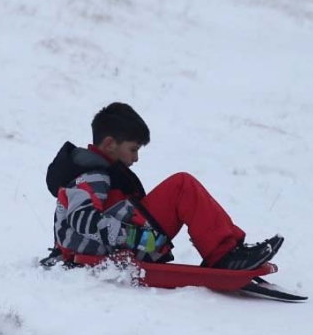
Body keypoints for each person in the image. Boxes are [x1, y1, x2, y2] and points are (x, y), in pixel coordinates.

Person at [44, 102, 282, 270]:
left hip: (123, 243)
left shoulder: (101, 172)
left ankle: (229, 251)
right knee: (182, 186)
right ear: (109, 144)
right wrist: (136, 238)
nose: (135, 159)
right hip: (107, 250)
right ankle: (224, 255)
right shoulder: (89, 175)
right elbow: (81, 218)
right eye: (133, 149)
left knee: (183, 186)